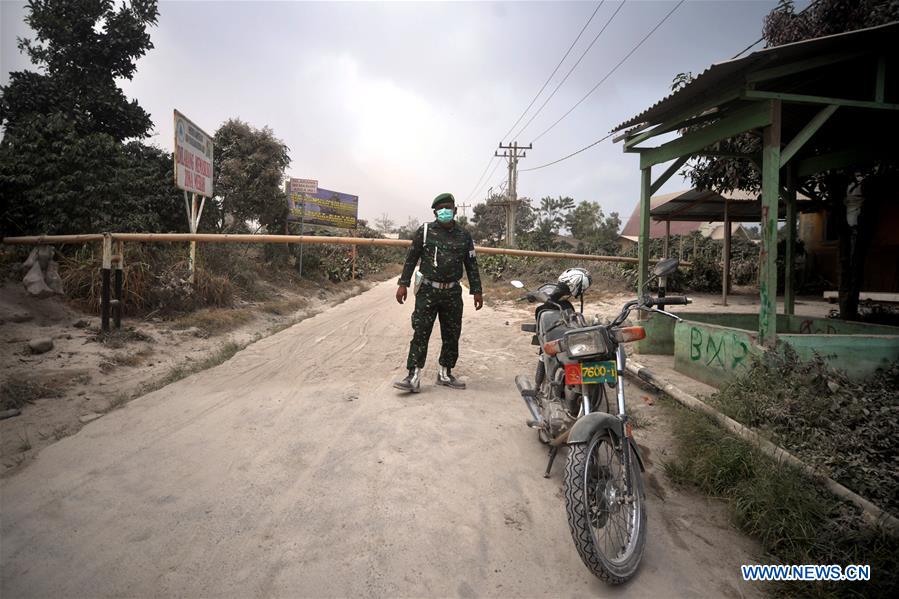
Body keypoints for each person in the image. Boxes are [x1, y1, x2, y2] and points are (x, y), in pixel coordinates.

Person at [393, 193, 483, 393]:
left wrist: (477, 290)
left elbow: (471, 264)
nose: (444, 211)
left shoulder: (464, 236)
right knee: (421, 332)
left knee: (451, 334)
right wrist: (403, 284)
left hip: (452, 292)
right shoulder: (424, 231)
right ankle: (413, 376)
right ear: (435, 212)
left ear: (455, 210)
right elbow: (411, 258)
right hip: (427, 290)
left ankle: (445, 373)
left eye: (448, 207)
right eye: (440, 208)